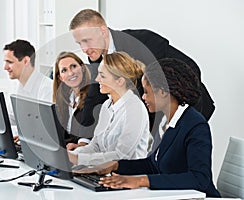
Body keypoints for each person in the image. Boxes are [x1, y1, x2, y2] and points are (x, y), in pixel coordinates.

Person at [69, 9, 215, 151]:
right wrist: (84, 142)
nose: (84, 49)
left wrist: (171, 122)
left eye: (86, 41)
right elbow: (94, 97)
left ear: (102, 31)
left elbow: (191, 69)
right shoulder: (98, 56)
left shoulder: (143, 42)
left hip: (188, 109)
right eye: (80, 43)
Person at [73, 58, 221, 198]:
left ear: (162, 92)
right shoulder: (165, 121)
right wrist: (114, 165)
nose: (143, 97)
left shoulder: (195, 125)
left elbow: (200, 179)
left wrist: (141, 181)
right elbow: (153, 164)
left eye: (146, 92)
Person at [68, 51, 150, 166]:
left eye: (102, 75)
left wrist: (79, 159)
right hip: (103, 172)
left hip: (126, 178)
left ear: (120, 81)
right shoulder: (107, 105)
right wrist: (72, 156)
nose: (96, 79)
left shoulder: (135, 109)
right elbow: (95, 145)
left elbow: (121, 156)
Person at [3, 39, 53, 143]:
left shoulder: (47, 88)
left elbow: (42, 127)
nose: (5, 67)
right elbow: (11, 117)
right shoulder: (16, 86)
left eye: (10, 62)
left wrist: (17, 132)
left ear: (26, 61)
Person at [53, 51, 93, 150]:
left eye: (73, 66)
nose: (70, 73)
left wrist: (80, 146)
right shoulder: (66, 100)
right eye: (64, 70)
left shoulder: (93, 96)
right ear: (60, 78)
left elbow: (91, 133)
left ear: (83, 68)